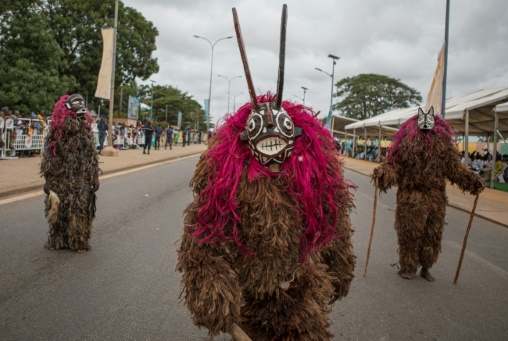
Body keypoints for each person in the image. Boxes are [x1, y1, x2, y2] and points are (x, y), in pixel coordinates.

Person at [177, 5, 355, 340]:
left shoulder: (313, 178)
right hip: (251, 302)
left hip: (302, 294)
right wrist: (215, 294)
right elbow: (205, 242)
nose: (272, 157)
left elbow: (334, 223)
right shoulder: (231, 185)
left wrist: (339, 264)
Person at [373, 107, 484, 282]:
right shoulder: (405, 146)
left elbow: (454, 168)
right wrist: (383, 173)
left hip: (435, 197)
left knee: (432, 235)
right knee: (409, 233)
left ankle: (426, 266)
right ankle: (407, 266)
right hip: (411, 196)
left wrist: (471, 181)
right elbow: (394, 166)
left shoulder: (443, 147)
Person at [40, 94, 100, 252]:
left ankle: (78, 241)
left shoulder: (85, 130)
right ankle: (57, 239)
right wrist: (48, 180)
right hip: (60, 177)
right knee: (57, 209)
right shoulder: (57, 132)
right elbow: (50, 157)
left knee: (79, 210)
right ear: (66, 106)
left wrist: (95, 176)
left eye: (82, 102)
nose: (80, 104)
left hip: (80, 178)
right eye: (76, 102)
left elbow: (91, 155)